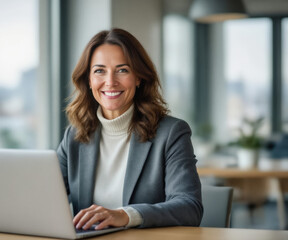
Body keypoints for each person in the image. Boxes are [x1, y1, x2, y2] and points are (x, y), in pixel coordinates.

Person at [57, 28, 203, 230]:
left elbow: (190, 207)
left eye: (122, 70)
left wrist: (126, 215)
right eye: (99, 71)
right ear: (88, 80)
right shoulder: (74, 136)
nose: (110, 81)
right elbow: (43, 199)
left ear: (138, 77)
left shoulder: (171, 133)